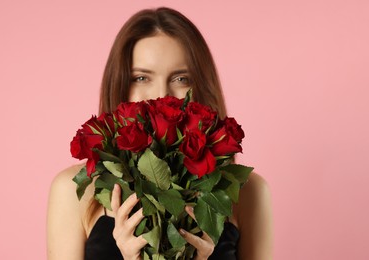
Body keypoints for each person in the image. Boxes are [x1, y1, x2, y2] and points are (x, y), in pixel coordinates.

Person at [47, 7, 273, 260]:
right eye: (141, 78)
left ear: (201, 87)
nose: (161, 95)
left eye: (181, 78)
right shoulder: (73, 192)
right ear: (120, 85)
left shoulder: (248, 193)